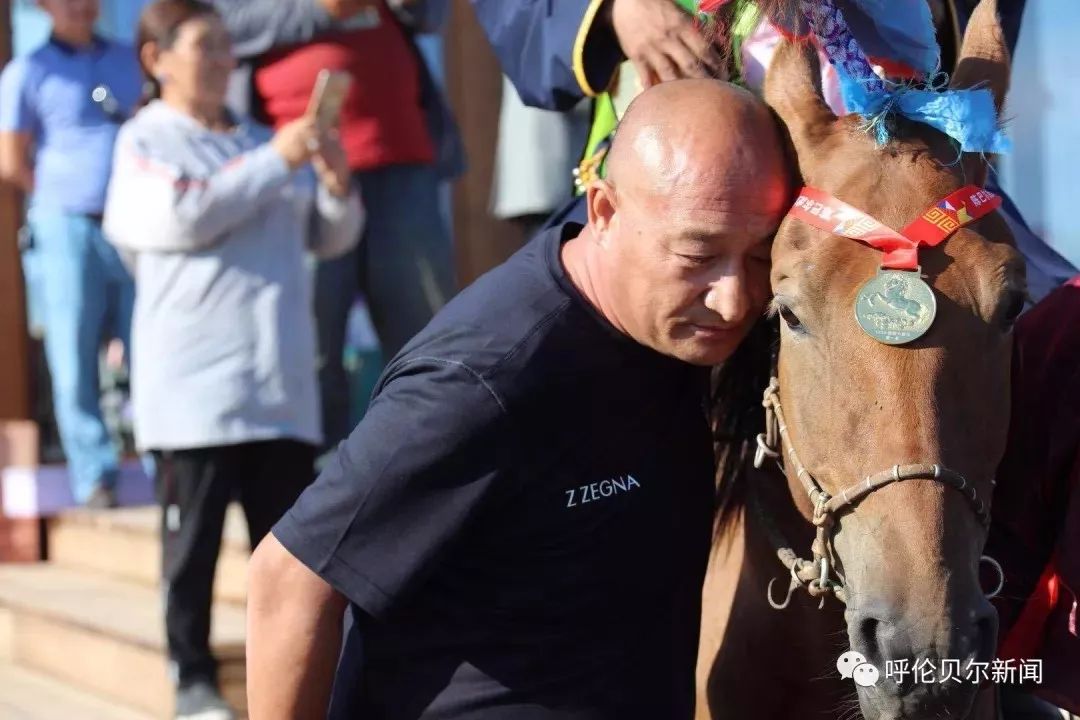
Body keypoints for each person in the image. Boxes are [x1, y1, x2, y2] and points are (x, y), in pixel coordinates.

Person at [244, 78, 789, 720]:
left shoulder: (670, 325)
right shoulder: (483, 379)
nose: (735, 299)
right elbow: (288, 579)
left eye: (759, 256)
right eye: (698, 254)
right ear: (604, 213)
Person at [101, 1, 363, 718]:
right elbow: (181, 216)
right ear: (156, 60)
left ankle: (302, 683)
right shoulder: (144, 141)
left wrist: (336, 184)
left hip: (277, 386)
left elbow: (328, 237)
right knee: (190, 554)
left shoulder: (258, 139)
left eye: (225, 47)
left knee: (290, 557)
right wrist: (275, 162)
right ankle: (192, 679)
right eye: (203, 47)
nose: (222, 61)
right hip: (194, 395)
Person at [210, 0, 463, 453]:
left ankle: (439, 466)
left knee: (429, 336)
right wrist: (324, 8)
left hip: (402, 160)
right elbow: (225, 24)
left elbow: (433, 17)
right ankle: (322, 488)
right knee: (312, 344)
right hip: (300, 172)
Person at [0, 0, 142, 508]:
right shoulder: (26, 71)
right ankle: (94, 474)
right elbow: (11, 158)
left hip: (135, 223)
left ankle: (161, 463)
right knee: (72, 353)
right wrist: (60, 196)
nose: (80, 6)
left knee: (146, 342)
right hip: (66, 225)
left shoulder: (131, 58)